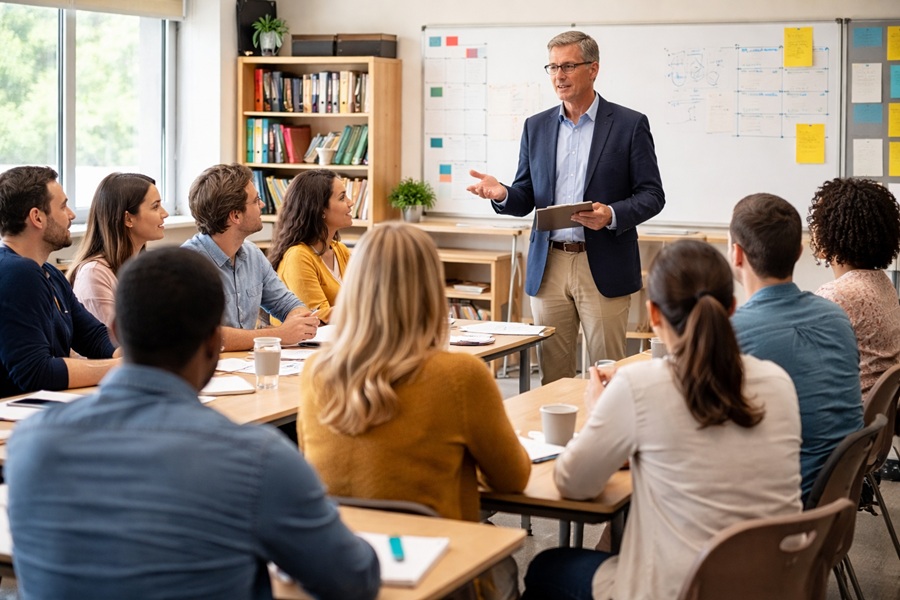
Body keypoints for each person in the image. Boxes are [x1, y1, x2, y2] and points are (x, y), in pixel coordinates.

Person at [6, 247, 380, 600]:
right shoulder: (259, 460)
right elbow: (353, 579)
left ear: (116, 330)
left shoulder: (28, 446)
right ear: (216, 343)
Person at [522, 240, 802, 600]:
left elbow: (573, 484)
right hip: (776, 584)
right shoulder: (779, 382)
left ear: (653, 315)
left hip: (680, 588)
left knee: (547, 568)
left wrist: (597, 412)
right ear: (733, 308)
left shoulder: (639, 385)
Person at [298, 223, 530, 598]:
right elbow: (513, 479)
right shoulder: (460, 376)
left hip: (345, 574)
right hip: (440, 576)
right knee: (512, 565)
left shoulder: (315, 374)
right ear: (431, 290)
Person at [467, 30, 665, 384]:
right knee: (553, 377)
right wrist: (501, 194)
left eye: (568, 66)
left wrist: (611, 214)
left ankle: (608, 439)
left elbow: (652, 194)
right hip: (549, 265)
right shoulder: (536, 126)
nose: (559, 75)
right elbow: (526, 194)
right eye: (553, 67)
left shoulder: (629, 124)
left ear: (593, 69)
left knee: (608, 373)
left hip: (604, 262)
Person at [729, 193, 863, 500]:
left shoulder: (732, 333)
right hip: (835, 504)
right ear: (800, 252)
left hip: (775, 511)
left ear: (737, 255)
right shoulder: (837, 318)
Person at [0, 166, 119, 397]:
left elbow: (93, 337)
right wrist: (121, 368)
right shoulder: (16, 273)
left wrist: (135, 355)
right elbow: (36, 373)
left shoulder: (49, 273)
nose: (72, 214)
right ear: (37, 217)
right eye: (63, 206)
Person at [182, 163, 319, 351]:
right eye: (256, 201)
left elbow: (288, 304)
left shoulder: (252, 254)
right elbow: (207, 336)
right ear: (235, 216)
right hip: (209, 375)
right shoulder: (187, 265)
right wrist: (280, 334)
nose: (262, 204)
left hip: (246, 367)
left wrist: (301, 320)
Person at [807, 177, 900, 397]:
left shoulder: (836, 295)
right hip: (875, 422)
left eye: (819, 222)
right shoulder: (882, 282)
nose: (813, 230)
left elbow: (805, 362)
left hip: (845, 419)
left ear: (834, 230)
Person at [68, 172, 168, 339]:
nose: (164, 213)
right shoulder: (94, 273)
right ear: (128, 218)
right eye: (155, 206)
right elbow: (116, 343)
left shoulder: (145, 267)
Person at [268, 169, 353, 324]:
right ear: (320, 209)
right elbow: (318, 318)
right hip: (303, 346)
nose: (351, 202)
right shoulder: (298, 256)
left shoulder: (341, 250)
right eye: (342, 198)